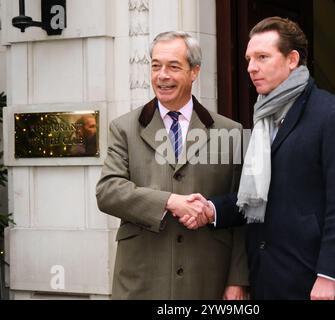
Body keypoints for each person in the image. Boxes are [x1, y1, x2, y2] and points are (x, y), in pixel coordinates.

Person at [183, 17, 335, 300]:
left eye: (262, 57)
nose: (251, 68)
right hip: (270, 280)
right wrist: (211, 209)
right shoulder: (264, 121)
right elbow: (259, 197)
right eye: (249, 59)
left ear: (292, 59)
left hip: (318, 284)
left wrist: (328, 276)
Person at [95, 31, 248, 299]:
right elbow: (108, 191)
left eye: (173, 67)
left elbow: (241, 208)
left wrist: (237, 280)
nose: (162, 75)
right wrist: (169, 201)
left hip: (207, 279)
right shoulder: (124, 128)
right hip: (141, 280)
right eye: (156, 66)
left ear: (194, 71)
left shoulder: (230, 131)